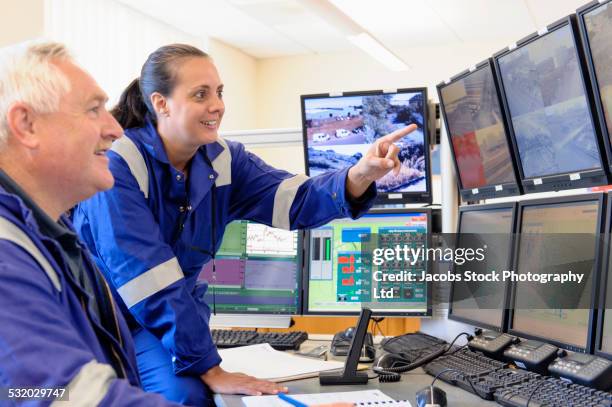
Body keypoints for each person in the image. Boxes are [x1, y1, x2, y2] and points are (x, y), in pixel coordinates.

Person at [74, 43, 417, 405]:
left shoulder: (221, 160)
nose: (217, 105)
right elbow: (147, 277)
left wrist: (358, 175)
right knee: (187, 397)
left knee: (196, 393)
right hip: (108, 320)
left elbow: (294, 199)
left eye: (219, 92)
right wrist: (209, 367)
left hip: (168, 321)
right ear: (161, 103)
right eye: (200, 94)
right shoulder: (117, 164)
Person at [0, 41, 185, 405]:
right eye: (93, 109)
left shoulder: (53, 237)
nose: (115, 128)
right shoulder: (6, 257)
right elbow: (61, 395)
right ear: (26, 125)